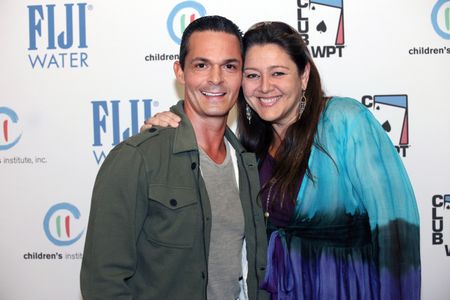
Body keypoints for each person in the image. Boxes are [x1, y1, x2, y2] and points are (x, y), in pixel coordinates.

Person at [143, 21, 421, 299]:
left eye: (278, 73)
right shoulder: (247, 148)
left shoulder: (345, 121)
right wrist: (162, 130)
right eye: (252, 75)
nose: (265, 87)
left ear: (303, 75)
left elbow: (397, 233)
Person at [80, 16, 268, 300]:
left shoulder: (246, 162)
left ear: (242, 75)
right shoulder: (137, 159)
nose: (216, 79)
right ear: (180, 72)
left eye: (229, 66)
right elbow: (103, 282)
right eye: (201, 65)